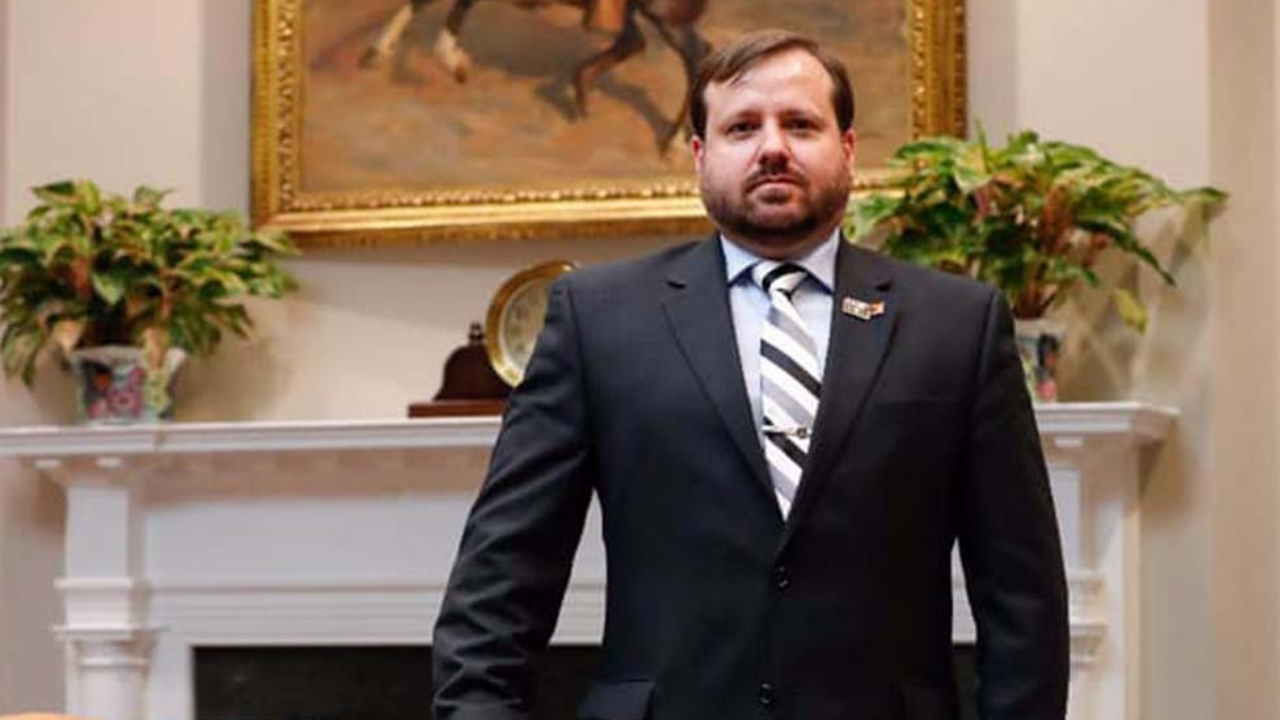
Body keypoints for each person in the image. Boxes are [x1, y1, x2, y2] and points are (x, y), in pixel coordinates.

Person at [432, 30, 1069, 720]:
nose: (773, 147)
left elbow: (1023, 597)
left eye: (800, 124)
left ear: (847, 150)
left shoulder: (958, 325)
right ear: (701, 157)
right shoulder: (598, 321)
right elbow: (502, 576)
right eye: (742, 127)